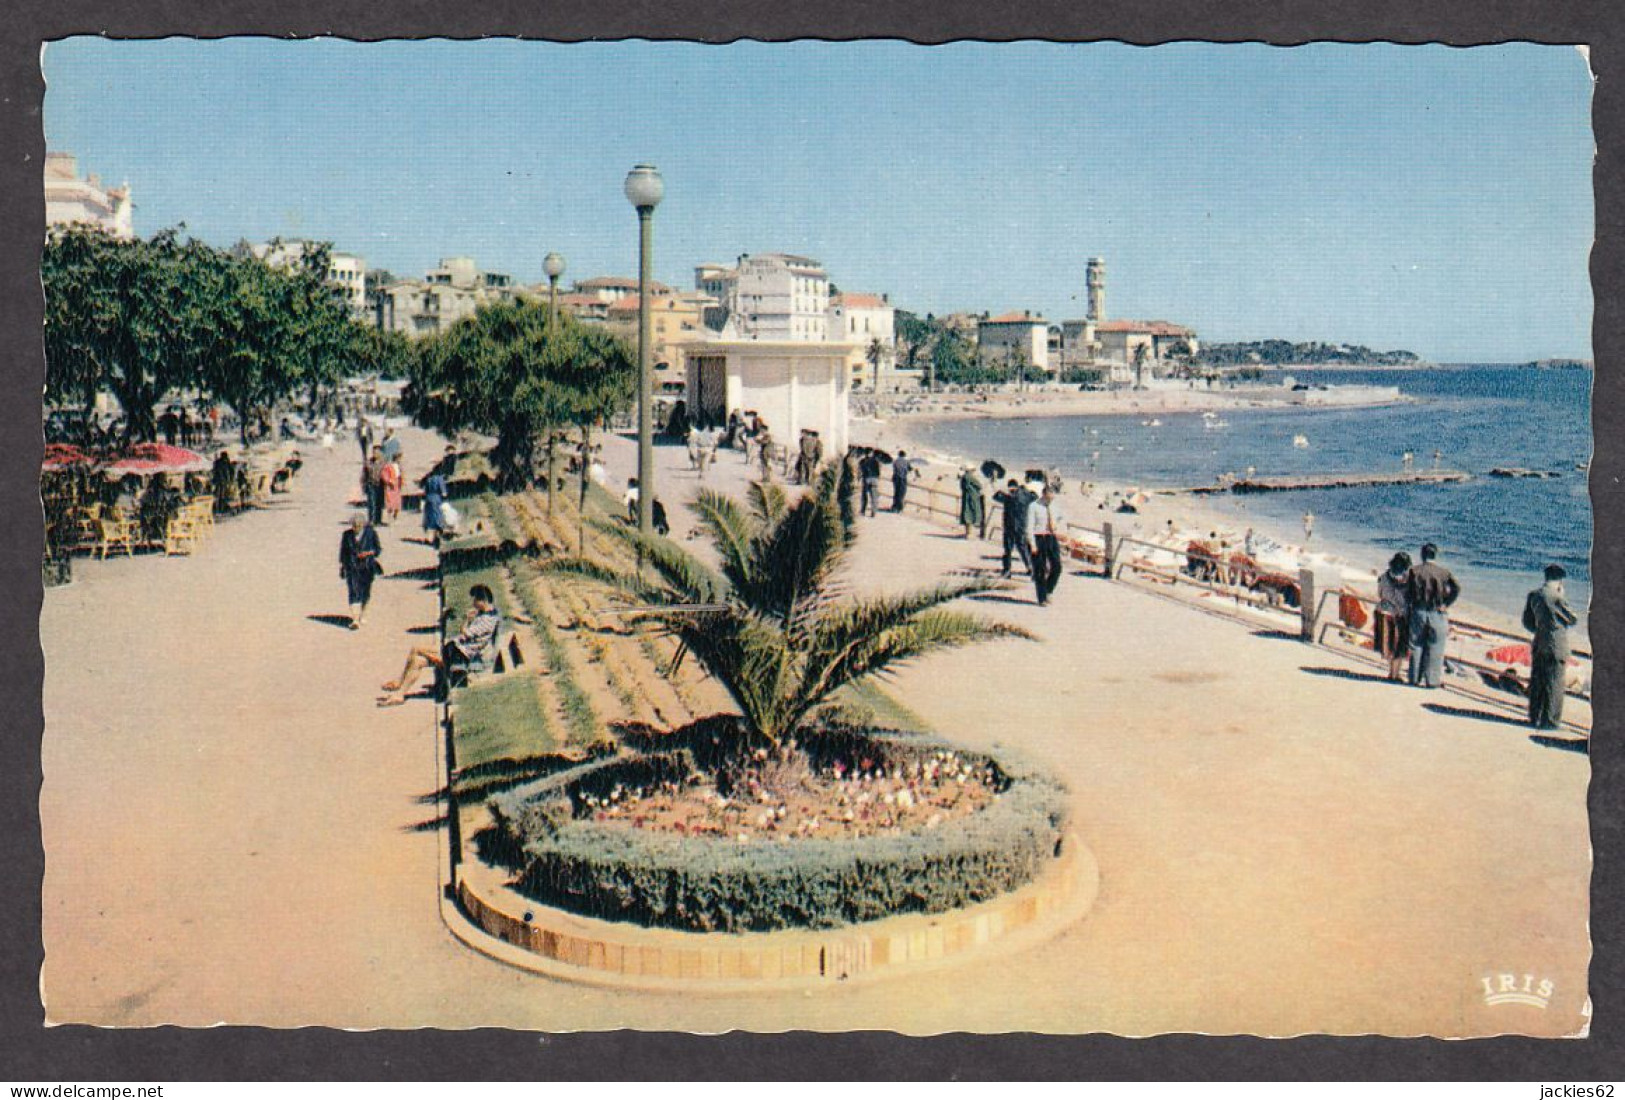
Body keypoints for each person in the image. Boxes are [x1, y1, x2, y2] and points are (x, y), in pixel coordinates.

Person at [378, 584, 501, 706]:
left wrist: (467, 620)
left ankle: (400, 689)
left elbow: (466, 633)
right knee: (417, 660)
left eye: (475, 600)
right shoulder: (487, 614)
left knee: (417, 651)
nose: (473, 603)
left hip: (459, 656)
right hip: (455, 650)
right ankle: (400, 691)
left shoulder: (487, 621)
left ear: (483, 600)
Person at [1523, 564, 1579, 730]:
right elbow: (1573, 619)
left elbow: (1527, 622)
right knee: (1554, 683)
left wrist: (1540, 629)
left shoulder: (1534, 595)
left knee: (1538, 681)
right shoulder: (1557, 597)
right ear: (1560, 580)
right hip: (1556, 644)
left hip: (1539, 642)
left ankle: (1534, 716)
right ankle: (1551, 722)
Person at [1406, 542, 1460, 688]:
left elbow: (1407, 592)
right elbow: (1457, 588)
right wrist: (1446, 604)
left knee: (1416, 645)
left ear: (1422, 555)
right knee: (1436, 647)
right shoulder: (1444, 572)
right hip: (1437, 611)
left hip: (1418, 610)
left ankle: (1414, 678)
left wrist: (1410, 606)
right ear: (1435, 555)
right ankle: (1432, 681)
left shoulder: (1414, 571)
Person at [339, 512, 382, 630]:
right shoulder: (346, 535)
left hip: (367, 567)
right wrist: (342, 566)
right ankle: (355, 619)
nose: (356, 529)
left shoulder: (371, 533)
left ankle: (363, 614)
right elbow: (343, 552)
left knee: (365, 592)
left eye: (358, 526)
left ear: (363, 525)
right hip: (351, 567)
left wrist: (368, 553)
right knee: (353, 591)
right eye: (354, 526)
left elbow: (378, 550)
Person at [1374, 551, 1412, 682]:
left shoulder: (1383, 576)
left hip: (1383, 612)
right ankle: (1395, 674)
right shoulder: (1407, 580)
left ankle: (1391, 672)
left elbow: (1380, 594)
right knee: (1400, 646)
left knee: (1389, 645)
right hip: (1399, 615)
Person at [1027, 485, 1065, 606]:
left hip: (1050, 536)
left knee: (1057, 566)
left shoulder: (1054, 506)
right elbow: (1029, 526)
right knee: (1040, 569)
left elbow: (1061, 518)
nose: (1050, 500)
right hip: (1038, 536)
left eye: (1052, 498)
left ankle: (1048, 589)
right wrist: (1032, 544)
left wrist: (1057, 527)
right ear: (1043, 495)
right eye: (1048, 498)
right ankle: (1042, 598)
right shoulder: (1033, 506)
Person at [993, 479, 1034, 578]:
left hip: (1010, 525)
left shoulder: (1008, 497)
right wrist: (1025, 490)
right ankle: (1029, 568)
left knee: (1009, 549)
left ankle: (1007, 570)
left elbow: (996, 497)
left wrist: (1001, 491)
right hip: (1020, 525)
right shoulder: (1025, 495)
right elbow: (1034, 497)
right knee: (1022, 548)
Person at [421, 462, 450, 546]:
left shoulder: (428, 479)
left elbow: (425, 491)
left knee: (429, 519)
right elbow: (444, 492)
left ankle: (430, 538)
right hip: (437, 500)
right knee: (438, 519)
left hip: (428, 499)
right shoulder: (439, 479)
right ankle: (437, 539)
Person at [958, 466, 986, 540]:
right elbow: (979, 485)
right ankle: (969, 534)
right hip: (971, 497)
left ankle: (967, 533)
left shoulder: (964, 477)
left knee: (966, 514)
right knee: (971, 513)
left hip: (965, 497)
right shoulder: (970, 477)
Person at [362, 446, 385, 525]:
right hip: (371, 484)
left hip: (381, 485)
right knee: (371, 503)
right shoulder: (368, 462)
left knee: (379, 502)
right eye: (374, 452)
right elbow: (364, 475)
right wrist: (363, 486)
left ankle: (378, 520)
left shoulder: (384, 462)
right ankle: (371, 520)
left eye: (377, 452)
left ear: (380, 453)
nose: (375, 454)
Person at [380, 452, 404, 526]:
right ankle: (390, 518)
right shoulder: (388, 466)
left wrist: (402, 482)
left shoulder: (399, 467)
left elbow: (401, 475)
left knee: (397, 503)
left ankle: (395, 517)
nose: (400, 460)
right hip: (390, 486)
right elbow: (384, 474)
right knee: (390, 503)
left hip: (397, 486)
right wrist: (389, 481)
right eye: (399, 458)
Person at [858, 449, 883, 518]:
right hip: (874, 479)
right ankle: (873, 512)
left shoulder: (863, 461)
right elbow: (878, 472)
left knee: (864, 496)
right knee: (874, 497)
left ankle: (863, 510)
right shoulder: (876, 461)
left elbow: (860, 470)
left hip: (866, 479)